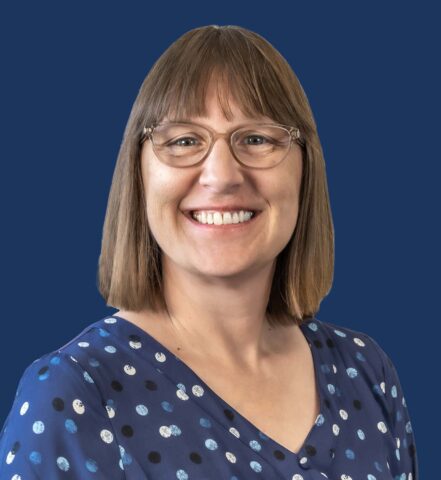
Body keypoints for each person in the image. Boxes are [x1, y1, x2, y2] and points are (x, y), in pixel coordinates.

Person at [0, 24, 418, 479]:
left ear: (305, 170)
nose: (221, 176)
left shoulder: (366, 371)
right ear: (138, 174)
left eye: (256, 139)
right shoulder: (74, 394)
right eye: (184, 140)